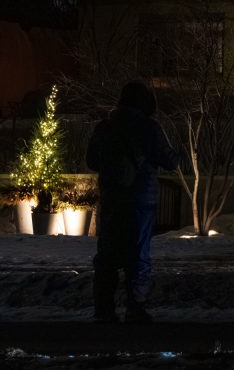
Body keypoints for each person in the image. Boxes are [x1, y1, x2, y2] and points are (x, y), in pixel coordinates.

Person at [87, 82, 180, 323]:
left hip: (112, 197)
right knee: (138, 253)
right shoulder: (149, 128)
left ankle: (104, 308)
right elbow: (169, 161)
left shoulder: (105, 128)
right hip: (141, 199)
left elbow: (92, 160)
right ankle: (135, 306)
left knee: (107, 252)